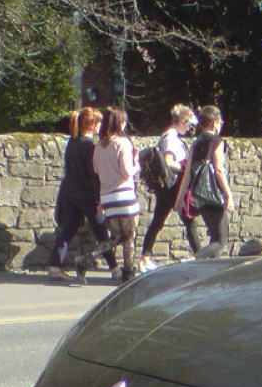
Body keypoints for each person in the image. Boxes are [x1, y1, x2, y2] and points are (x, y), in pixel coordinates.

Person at [46, 107, 118, 281]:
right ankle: (115, 269)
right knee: (101, 233)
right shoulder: (89, 146)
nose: (101, 125)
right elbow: (93, 176)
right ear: (92, 124)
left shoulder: (73, 141)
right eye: (99, 122)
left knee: (67, 230)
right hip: (86, 196)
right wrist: (99, 198)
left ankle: (55, 266)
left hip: (69, 193)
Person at [140, 104, 201, 270]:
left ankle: (145, 257)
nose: (189, 128)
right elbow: (168, 162)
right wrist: (186, 169)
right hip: (173, 186)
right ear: (181, 121)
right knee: (190, 221)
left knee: (158, 222)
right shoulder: (171, 139)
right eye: (188, 124)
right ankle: (201, 258)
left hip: (166, 187)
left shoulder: (167, 136)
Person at [92, 106, 141, 282]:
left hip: (107, 198)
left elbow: (97, 170)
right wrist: (139, 164)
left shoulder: (99, 146)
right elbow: (128, 171)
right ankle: (129, 273)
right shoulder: (122, 143)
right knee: (129, 237)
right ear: (120, 123)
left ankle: (89, 257)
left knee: (116, 236)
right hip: (124, 196)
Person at [183, 105, 234, 258]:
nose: (221, 125)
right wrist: (228, 195)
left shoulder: (196, 142)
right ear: (214, 122)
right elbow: (218, 170)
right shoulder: (217, 141)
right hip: (213, 195)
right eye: (220, 122)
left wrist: (180, 199)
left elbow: (187, 174)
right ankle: (193, 259)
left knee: (213, 238)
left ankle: (212, 273)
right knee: (220, 241)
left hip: (199, 195)